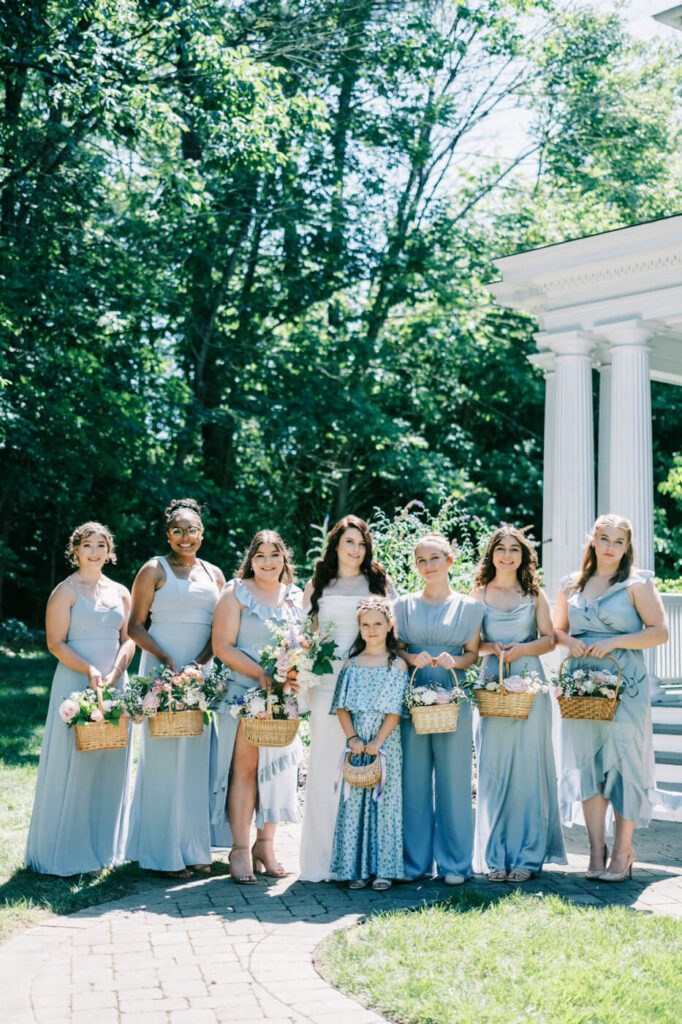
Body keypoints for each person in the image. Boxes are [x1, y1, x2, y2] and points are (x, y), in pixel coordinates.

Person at [554, 513, 674, 882]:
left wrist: (615, 641)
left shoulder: (638, 585)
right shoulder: (571, 585)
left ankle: (623, 852)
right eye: (603, 538)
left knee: (625, 764)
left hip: (626, 684)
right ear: (592, 540)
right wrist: (570, 641)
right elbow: (556, 630)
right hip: (583, 685)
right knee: (588, 763)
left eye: (617, 541)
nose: (609, 547)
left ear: (627, 547)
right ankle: (595, 851)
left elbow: (660, 633)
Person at [26, 522, 134, 875]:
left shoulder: (120, 591)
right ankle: (67, 850)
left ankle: (106, 848)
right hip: (76, 681)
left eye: (101, 545)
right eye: (88, 545)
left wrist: (115, 674)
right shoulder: (65, 591)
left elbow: (129, 638)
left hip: (113, 685)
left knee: (110, 762)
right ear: (76, 550)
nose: (95, 551)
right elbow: (55, 642)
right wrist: (89, 670)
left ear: (109, 550)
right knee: (75, 760)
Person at [126, 498, 224, 878]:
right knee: (165, 757)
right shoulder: (154, 569)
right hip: (162, 669)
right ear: (168, 534)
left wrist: (200, 664)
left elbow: (221, 630)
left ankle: (195, 848)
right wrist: (166, 660)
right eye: (178, 530)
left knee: (197, 758)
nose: (186, 537)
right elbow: (134, 626)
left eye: (193, 529)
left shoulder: (214, 573)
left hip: (199, 673)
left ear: (202, 533)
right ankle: (161, 852)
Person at [299, 515, 393, 882]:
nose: (355, 549)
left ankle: (356, 858)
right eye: (348, 542)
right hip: (325, 681)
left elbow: (391, 626)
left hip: (367, 681)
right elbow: (303, 634)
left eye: (361, 543)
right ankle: (321, 861)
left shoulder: (378, 581)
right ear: (336, 544)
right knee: (325, 766)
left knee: (361, 768)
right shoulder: (319, 582)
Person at [470, 526, 565, 881]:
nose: (507, 555)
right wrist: (490, 648)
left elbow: (550, 639)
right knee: (494, 771)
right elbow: (471, 645)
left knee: (527, 771)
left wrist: (522, 649)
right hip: (491, 684)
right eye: (501, 549)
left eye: (514, 549)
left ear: (523, 556)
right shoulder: (478, 594)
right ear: (491, 554)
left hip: (529, 683)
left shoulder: (533, 593)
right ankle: (496, 856)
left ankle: (527, 856)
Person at [210, 530, 303, 884]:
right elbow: (223, 645)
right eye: (260, 555)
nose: (268, 562)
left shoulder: (296, 596)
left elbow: (303, 645)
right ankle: (238, 848)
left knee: (278, 771)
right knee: (245, 771)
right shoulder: (235, 593)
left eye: (274, 554)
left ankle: (265, 845)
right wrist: (262, 673)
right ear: (251, 559)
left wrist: (292, 675)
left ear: (284, 559)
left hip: (283, 697)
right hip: (242, 694)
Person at [393, 533, 483, 884]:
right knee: (413, 781)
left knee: (455, 780)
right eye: (421, 560)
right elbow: (396, 648)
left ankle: (456, 864)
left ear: (449, 561)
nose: (428, 565)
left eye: (434, 558)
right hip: (413, 699)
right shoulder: (401, 606)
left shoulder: (470, 608)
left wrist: (455, 660)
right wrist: (409, 655)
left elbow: (473, 654)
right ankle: (414, 864)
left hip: (452, 697)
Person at [330, 597, 409, 891]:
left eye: (378, 624)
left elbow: (394, 711)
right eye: (366, 625)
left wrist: (377, 741)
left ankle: (384, 869)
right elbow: (341, 707)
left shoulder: (396, 665)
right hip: (357, 745)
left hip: (385, 743)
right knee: (354, 804)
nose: (372, 630)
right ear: (359, 629)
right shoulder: (351, 664)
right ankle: (355, 868)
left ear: (389, 626)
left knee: (385, 804)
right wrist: (353, 739)